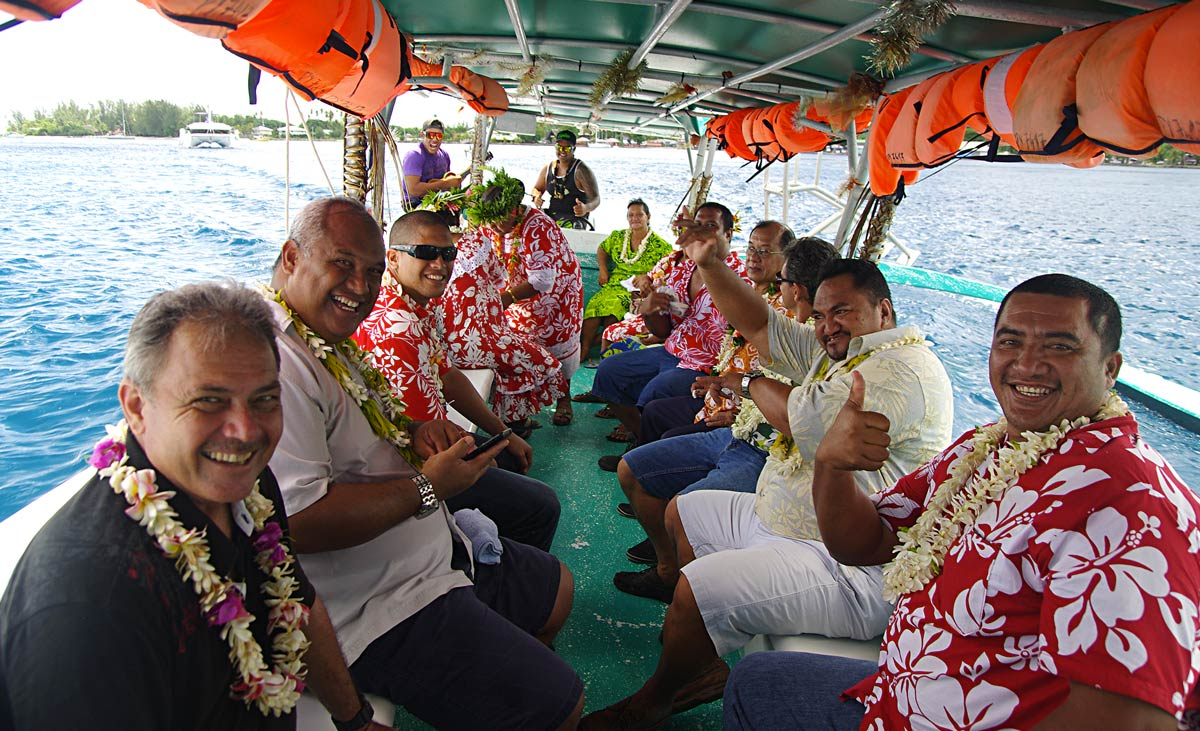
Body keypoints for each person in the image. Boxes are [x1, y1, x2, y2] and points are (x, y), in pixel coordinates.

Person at [723, 273, 1200, 731]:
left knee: (757, 683)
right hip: (902, 694)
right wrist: (831, 465)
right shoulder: (985, 450)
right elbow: (863, 542)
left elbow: (1131, 720)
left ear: (1110, 368)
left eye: (1060, 345)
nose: (1028, 363)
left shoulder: (1129, 500)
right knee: (756, 681)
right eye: (1010, 342)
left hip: (969, 717)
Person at [583, 255, 954, 730]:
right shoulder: (839, 352)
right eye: (819, 315)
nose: (827, 326)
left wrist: (752, 382)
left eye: (842, 311)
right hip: (787, 516)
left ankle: (658, 697)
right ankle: (703, 656)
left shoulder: (900, 371)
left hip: (843, 560)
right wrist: (708, 261)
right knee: (683, 512)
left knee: (696, 590)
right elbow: (759, 322)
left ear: (884, 312)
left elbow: (809, 423)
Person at [0, 282, 388, 731]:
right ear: (136, 407)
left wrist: (355, 720)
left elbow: (297, 598)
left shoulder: (249, 485)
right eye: (209, 401)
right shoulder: (91, 606)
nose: (244, 431)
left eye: (264, 399)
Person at [267, 197, 584, 730]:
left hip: (427, 542)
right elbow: (294, 523)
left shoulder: (332, 340)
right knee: (562, 704)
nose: (359, 286)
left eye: (368, 272)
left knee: (558, 592)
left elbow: (412, 400)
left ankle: (492, 681)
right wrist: (428, 488)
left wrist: (416, 432)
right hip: (377, 603)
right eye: (342, 263)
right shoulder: (279, 368)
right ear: (292, 257)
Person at [609, 232, 838, 570]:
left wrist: (744, 387)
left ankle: (684, 582)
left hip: (769, 452)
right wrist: (707, 263)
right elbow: (755, 323)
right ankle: (668, 565)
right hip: (740, 430)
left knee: (681, 509)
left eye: (781, 278)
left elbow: (796, 416)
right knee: (631, 469)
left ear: (795, 288)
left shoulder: (829, 346)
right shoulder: (800, 332)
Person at [352, 209, 561, 551]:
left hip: (427, 441)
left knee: (509, 454)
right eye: (425, 253)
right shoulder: (397, 327)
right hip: (410, 471)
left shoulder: (414, 306)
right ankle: (495, 579)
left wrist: (501, 433)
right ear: (392, 259)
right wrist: (477, 458)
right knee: (542, 505)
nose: (440, 264)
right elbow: (421, 437)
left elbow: (447, 376)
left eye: (448, 254)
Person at [587, 201, 749, 445]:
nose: (701, 233)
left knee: (656, 391)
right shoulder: (684, 271)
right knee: (609, 371)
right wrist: (651, 309)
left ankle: (640, 454)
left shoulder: (741, 277)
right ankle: (640, 439)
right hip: (672, 351)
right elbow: (663, 330)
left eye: (711, 226)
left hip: (707, 365)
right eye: (697, 226)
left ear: (727, 234)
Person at [465, 168, 584, 426]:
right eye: (491, 222)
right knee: (521, 345)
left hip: (557, 291)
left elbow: (541, 280)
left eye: (499, 221)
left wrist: (503, 299)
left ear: (514, 211)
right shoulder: (493, 223)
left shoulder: (538, 226)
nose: (494, 227)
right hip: (517, 292)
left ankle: (564, 399)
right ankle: (525, 409)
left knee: (557, 343)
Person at [438, 225, 569, 435]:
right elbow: (499, 278)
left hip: (444, 346)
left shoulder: (428, 258)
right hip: (473, 345)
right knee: (532, 356)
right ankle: (515, 423)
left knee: (512, 345)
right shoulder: (477, 242)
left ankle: (513, 420)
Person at [579, 198, 672, 367]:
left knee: (614, 308)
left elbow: (667, 269)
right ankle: (585, 348)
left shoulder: (661, 245)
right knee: (594, 303)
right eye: (631, 215)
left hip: (635, 291)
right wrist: (603, 269)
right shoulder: (618, 236)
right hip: (613, 284)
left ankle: (605, 354)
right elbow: (602, 249)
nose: (635, 218)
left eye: (639, 215)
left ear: (648, 217)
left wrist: (647, 276)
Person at [532, 129, 601, 229]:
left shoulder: (581, 171)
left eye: (567, 148)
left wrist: (585, 208)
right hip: (552, 221)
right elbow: (536, 189)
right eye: (559, 147)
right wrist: (536, 197)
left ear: (574, 149)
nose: (562, 151)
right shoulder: (548, 169)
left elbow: (596, 199)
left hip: (575, 223)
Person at [401, 119, 462, 212]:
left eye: (439, 136)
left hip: (439, 202)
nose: (435, 139)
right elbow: (413, 190)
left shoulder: (444, 155)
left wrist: (454, 183)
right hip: (415, 205)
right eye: (431, 135)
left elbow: (448, 180)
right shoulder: (414, 155)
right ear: (422, 135)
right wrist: (445, 184)